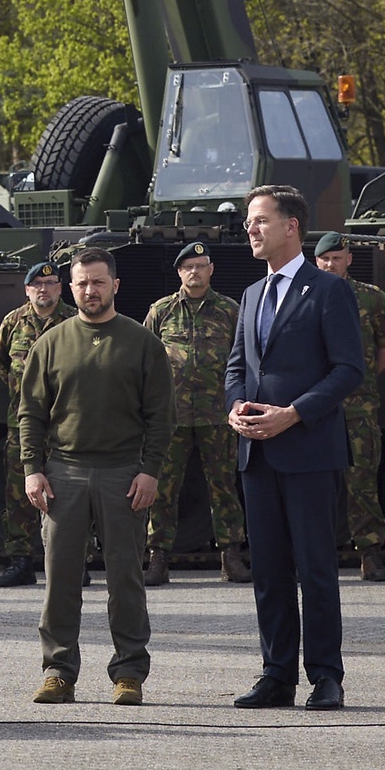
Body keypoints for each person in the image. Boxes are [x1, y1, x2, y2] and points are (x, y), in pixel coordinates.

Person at [224, 186, 365, 711]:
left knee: (315, 569)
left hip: (308, 451)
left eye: (260, 221)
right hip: (258, 456)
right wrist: (236, 406)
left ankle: (326, 675)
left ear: (292, 227)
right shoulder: (251, 296)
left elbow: (349, 369)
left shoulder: (328, 291)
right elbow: (238, 366)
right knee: (269, 572)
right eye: (248, 223)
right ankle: (276, 674)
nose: (251, 230)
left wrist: (293, 413)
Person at [18, 249, 169, 706]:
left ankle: (129, 673)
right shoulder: (52, 342)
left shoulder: (141, 343)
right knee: (60, 579)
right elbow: (31, 413)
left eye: (98, 282)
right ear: (72, 286)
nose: (90, 290)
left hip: (123, 474)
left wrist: (150, 471)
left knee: (125, 578)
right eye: (82, 283)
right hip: (64, 472)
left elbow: (161, 416)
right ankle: (59, 671)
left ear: (115, 286)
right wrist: (32, 470)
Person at [146, 241, 250, 586]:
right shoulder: (160, 311)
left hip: (218, 416)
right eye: (188, 266)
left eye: (201, 265)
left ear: (211, 270)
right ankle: (158, 557)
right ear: (179, 272)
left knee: (223, 487)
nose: (195, 271)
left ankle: (231, 556)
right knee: (162, 488)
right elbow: (144, 361)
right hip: (171, 417)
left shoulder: (229, 311)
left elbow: (244, 360)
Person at [313, 233, 385, 580]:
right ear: (316, 261)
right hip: (314, 408)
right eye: (325, 259)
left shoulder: (372, 299)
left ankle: (369, 553)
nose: (331, 264)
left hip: (359, 407)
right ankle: (316, 554)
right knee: (316, 486)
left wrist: (358, 378)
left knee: (362, 481)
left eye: (337, 258)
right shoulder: (304, 295)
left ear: (348, 259)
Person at [0, 262, 70, 588]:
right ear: (27, 289)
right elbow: (0, 364)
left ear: (60, 288)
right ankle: (21, 560)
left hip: (66, 424)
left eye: (50, 283)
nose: (44, 289)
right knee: (19, 494)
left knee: (70, 495)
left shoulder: (74, 322)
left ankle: (71, 562)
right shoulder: (13, 323)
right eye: (37, 284)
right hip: (22, 424)